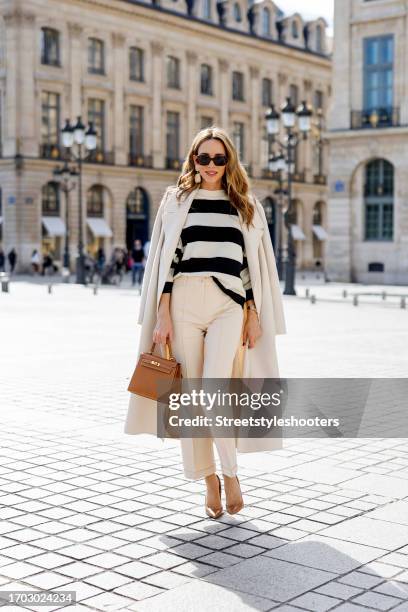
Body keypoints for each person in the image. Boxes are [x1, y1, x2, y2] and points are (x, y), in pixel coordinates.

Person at [124, 126, 287, 519]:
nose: (211, 165)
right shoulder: (177, 200)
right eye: (203, 157)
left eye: (219, 158)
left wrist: (253, 313)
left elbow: (252, 267)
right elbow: (167, 260)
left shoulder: (245, 204)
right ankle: (207, 477)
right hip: (182, 303)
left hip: (229, 305)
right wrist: (161, 314)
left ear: (229, 160)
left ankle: (231, 473)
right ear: (193, 159)